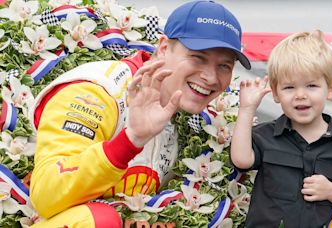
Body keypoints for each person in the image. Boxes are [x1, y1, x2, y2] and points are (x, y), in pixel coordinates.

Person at [29, 1, 250, 227]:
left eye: (224, 66)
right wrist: (130, 139)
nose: (212, 78)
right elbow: (45, 198)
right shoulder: (96, 92)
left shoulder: (196, 120)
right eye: (198, 58)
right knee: (102, 221)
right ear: (163, 48)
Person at [230, 30, 332, 227]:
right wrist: (246, 109)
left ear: (330, 88)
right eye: (289, 88)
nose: (300, 95)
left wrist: (331, 191)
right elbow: (241, 160)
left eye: (311, 86)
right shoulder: (266, 136)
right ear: (275, 92)